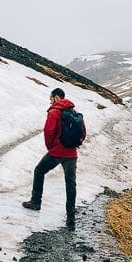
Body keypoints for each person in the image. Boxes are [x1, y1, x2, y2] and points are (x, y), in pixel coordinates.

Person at [22, 87, 86, 228]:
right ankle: (70, 217)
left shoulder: (54, 111)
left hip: (57, 152)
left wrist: (50, 147)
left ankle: (35, 202)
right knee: (70, 184)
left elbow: (49, 131)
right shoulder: (74, 112)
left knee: (39, 171)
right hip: (71, 154)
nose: (50, 101)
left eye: (51, 98)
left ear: (56, 98)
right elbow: (83, 132)